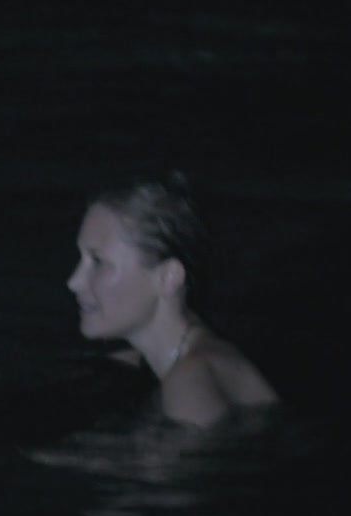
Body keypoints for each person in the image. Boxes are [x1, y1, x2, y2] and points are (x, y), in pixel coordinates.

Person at [66, 172, 278, 427]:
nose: (74, 281)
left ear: (168, 277)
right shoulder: (165, 363)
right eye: (81, 259)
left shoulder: (189, 382)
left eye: (98, 262)